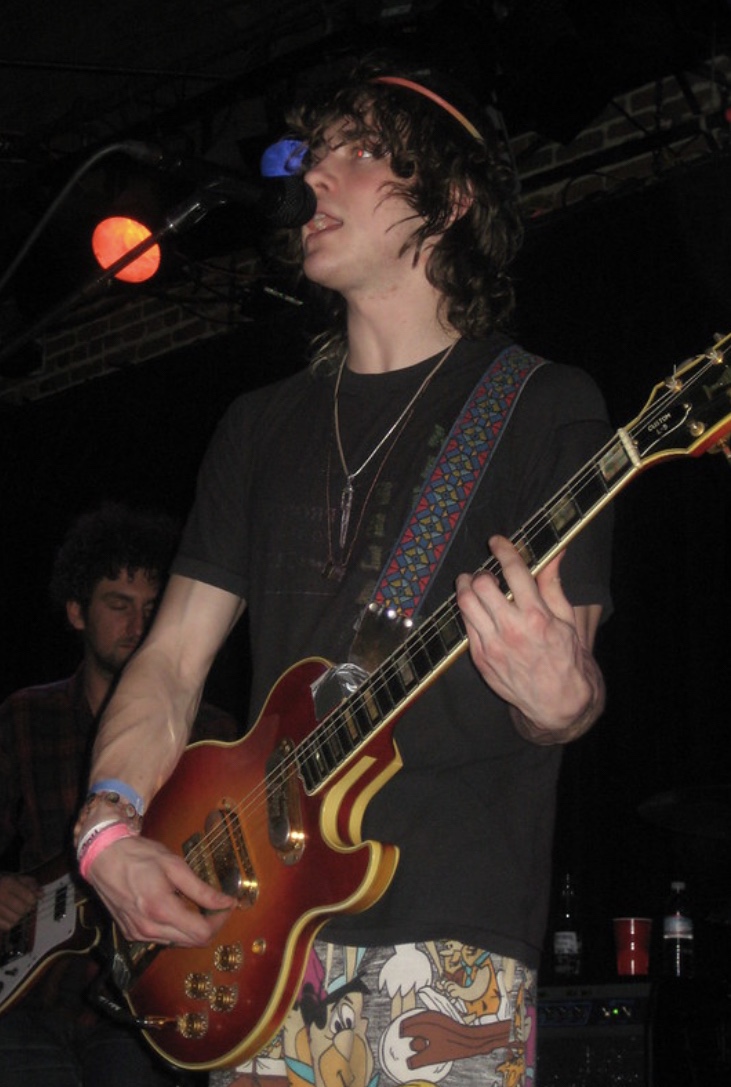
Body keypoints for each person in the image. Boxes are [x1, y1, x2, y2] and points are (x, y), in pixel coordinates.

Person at [72, 54, 613, 1087]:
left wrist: (561, 699)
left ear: (450, 200)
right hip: (250, 936)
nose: (314, 174)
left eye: (361, 152)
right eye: (314, 152)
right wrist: (107, 831)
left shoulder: (541, 406)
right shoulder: (257, 425)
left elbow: (566, 684)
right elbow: (171, 662)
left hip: (448, 933)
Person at [0, 502, 239, 1087]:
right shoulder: (25, 716)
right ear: (77, 612)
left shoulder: (212, 732)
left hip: (140, 1002)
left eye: (153, 608)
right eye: (118, 604)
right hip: (28, 998)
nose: (138, 623)